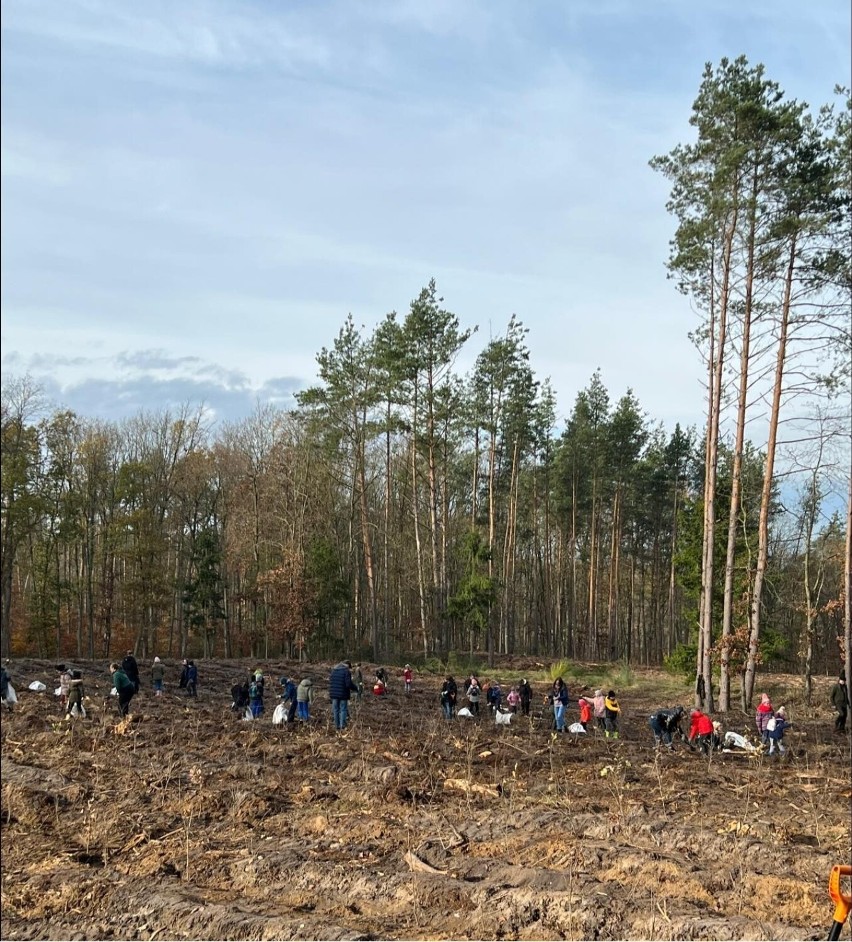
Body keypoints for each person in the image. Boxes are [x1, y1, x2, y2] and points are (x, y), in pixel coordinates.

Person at [329, 660, 358, 730]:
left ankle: (337, 725)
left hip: (334, 694)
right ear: (347, 666)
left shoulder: (333, 671)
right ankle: (343, 725)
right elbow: (348, 684)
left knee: (335, 710)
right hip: (343, 694)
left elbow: (331, 682)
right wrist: (355, 688)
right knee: (343, 709)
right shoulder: (346, 672)